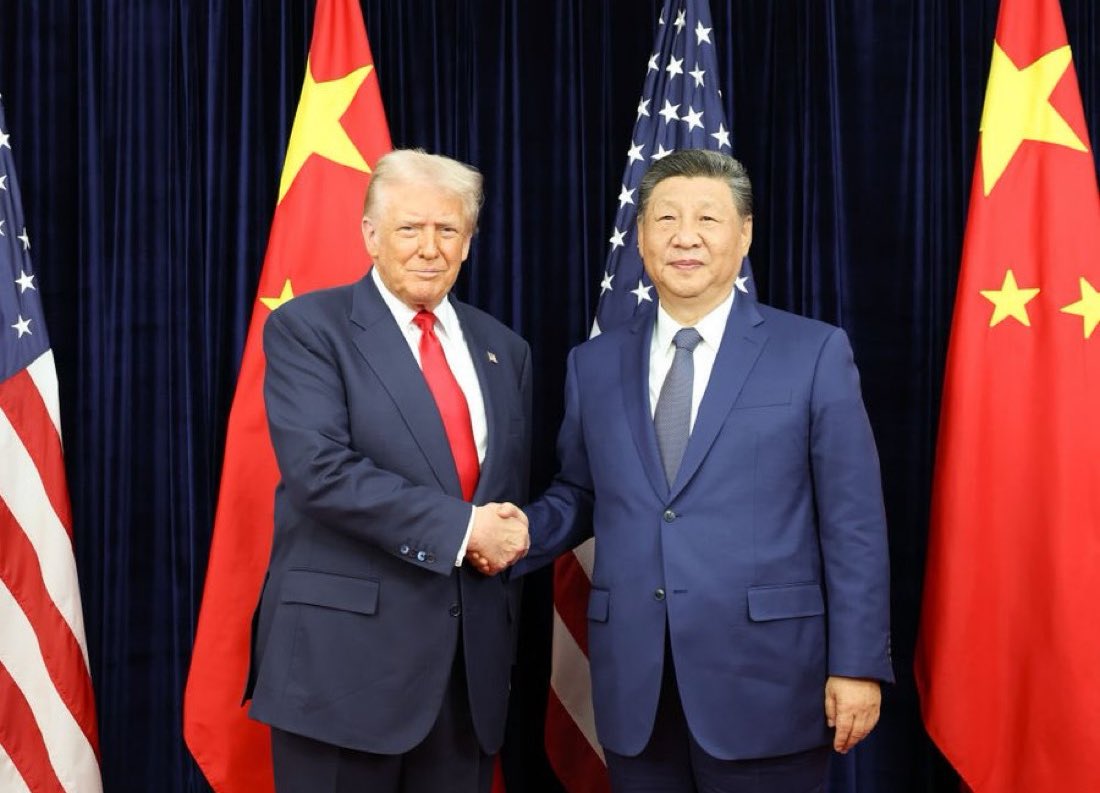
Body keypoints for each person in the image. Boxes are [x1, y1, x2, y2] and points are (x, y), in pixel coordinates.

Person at [498, 149, 893, 792]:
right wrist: (511, 536)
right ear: (642, 239)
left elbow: (853, 524)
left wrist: (858, 665)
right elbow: (582, 493)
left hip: (770, 684)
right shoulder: (592, 365)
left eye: (708, 218)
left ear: (744, 235)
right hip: (636, 687)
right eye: (666, 218)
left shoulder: (813, 352)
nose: (686, 236)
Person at [245, 149, 532, 793]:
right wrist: (466, 531)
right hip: (342, 673)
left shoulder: (505, 350)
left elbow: (502, 491)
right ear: (371, 235)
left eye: (448, 230)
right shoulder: (308, 328)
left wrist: (509, 530)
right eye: (410, 228)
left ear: (468, 241)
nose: (429, 247)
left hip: (465, 683)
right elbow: (320, 471)